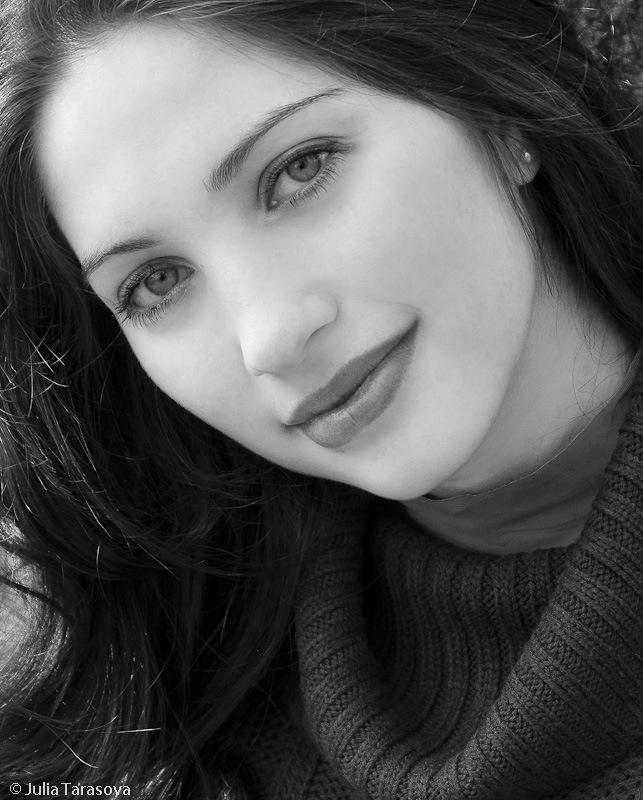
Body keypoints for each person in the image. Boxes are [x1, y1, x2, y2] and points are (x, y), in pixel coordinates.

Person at [0, 0, 641, 797]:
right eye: (156, 282)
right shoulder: (169, 725)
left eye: (299, 170)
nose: (267, 339)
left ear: (497, 109)